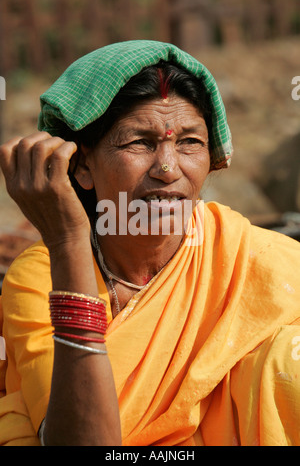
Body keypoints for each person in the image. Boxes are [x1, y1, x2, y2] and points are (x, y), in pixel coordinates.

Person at [0, 40, 299, 446]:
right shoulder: (40, 277)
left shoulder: (256, 259)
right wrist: (67, 241)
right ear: (83, 166)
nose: (167, 167)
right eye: (139, 142)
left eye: (190, 142)